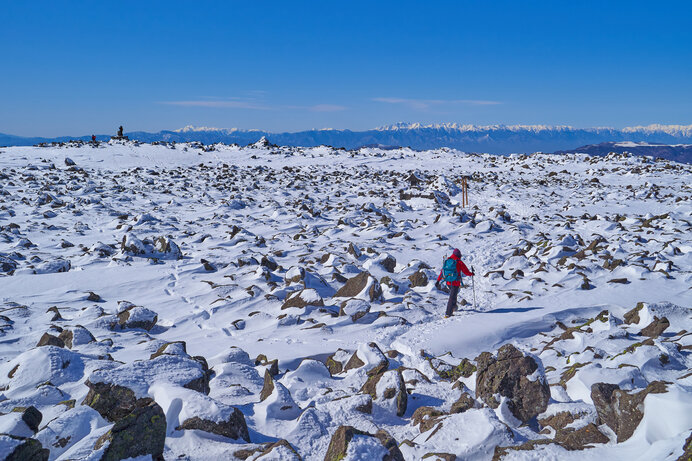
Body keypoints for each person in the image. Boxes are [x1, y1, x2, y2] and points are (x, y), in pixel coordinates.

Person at [436, 248, 474, 318]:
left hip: (448, 282)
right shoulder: (459, 262)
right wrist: (471, 274)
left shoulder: (447, 261)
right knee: (452, 296)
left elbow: (442, 272)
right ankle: (448, 313)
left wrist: (438, 281)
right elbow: (465, 271)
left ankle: (454, 307)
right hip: (455, 282)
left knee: (454, 294)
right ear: (459, 255)